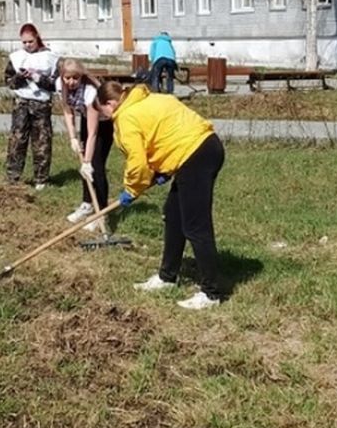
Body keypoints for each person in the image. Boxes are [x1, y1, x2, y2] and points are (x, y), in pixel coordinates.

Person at [96, 80, 224, 310]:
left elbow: (137, 163)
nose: (103, 116)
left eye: (102, 110)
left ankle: (211, 293)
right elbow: (166, 132)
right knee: (174, 218)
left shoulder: (126, 117)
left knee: (196, 226)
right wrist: (163, 169)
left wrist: (132, 189)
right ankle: (167, 276)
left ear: (112, 103)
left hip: (195, 156)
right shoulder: (151, 98)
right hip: (204, 149)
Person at [57, 59, 112, 230]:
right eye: (68, 78)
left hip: (103, 124)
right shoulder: (60, 84)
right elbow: (67, 112)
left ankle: (101, 212)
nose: (71, 82)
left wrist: (88, 162)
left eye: (75, 78)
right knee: (85, 165)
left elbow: (93, 133)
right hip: (86, 120)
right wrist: (73, 137)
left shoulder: (90, 91)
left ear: (81, 77)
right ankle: (87, 204)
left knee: (96, 166)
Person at [3, 23, 58, 189]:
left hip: (41, 104)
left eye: (30, 42)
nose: (27, 45)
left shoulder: (51, 57)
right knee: (17, 140)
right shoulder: (16, 57)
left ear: (37, 38)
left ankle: (41, 178)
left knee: (41, 141)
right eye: (24, 42)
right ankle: (13, 176)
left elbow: (55, 85)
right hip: (21, 103)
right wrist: (20, 77)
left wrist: (37, 77)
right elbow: (9, 82)